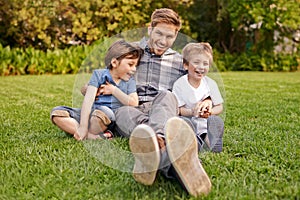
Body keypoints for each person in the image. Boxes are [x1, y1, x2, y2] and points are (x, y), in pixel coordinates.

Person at [113, 8, 218, 196]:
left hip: (163, 109)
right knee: (121, 112)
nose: (163, 40)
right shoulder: (131, 52)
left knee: (167, 95)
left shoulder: (180, 61)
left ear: (176, 35)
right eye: (159, 33)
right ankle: (165, 152)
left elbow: (201, 82)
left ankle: (156, 142)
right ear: (149, 29)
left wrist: (208, 99)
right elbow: (107, 77)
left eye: (169, 36)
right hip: (133, 108)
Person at [50, 40, 143, 140]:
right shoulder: (99, 75)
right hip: (91, 114)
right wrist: (83, 126)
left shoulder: (130, 81)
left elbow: (134, 102)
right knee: (57, 113)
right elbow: (88, 100)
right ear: (114, 62)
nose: (134, 69)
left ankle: (80, 131)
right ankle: (92, 136)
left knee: (103, 112)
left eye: (135, 65)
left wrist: (113, 90)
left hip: (108, 118)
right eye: (130, 64)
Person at [172, 42, 224, 153]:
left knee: (211, 125)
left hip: (205, 125)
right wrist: (192, 111)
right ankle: (195, 142)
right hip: (188, 122)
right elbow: (179, 110)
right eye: (196, 62)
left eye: (205, 64)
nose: (201, 67)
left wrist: (210, 112)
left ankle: (212, 142)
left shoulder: (211, 83)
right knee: (184, 126)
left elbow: (219, 107)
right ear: (185, 65)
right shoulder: (179, 84)